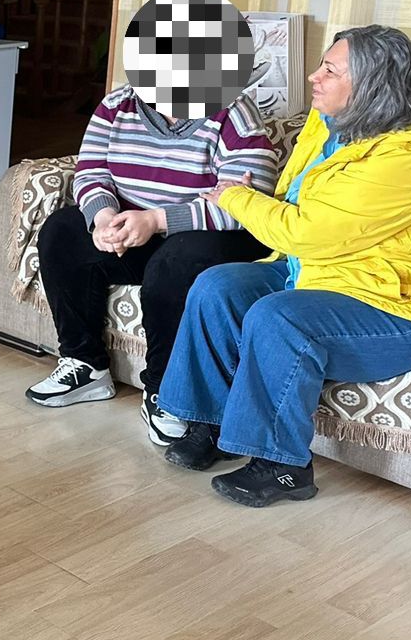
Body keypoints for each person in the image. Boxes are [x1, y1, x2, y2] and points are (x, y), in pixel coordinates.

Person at [158, 26, 411, 506]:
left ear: (371, 86)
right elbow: (299, 201)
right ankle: (210, 424)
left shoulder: (409, 162)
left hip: (406, 304)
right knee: (218, 286)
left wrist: (235, 197)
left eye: (329, 70)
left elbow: (304, 230)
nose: (314, 77)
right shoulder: (333, 123)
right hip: (327, 271)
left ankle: (283, 466)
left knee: (281, 318)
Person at [25, 82, 278, 445]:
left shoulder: (234, 113)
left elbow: (248, 202)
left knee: (174, 262)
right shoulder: (117, 104)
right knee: (62, 230)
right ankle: (85, 364)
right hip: (134, 228)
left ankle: (164, 392)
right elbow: (91, 171)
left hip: (204, 238)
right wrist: (104, 219)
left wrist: (157, 220)